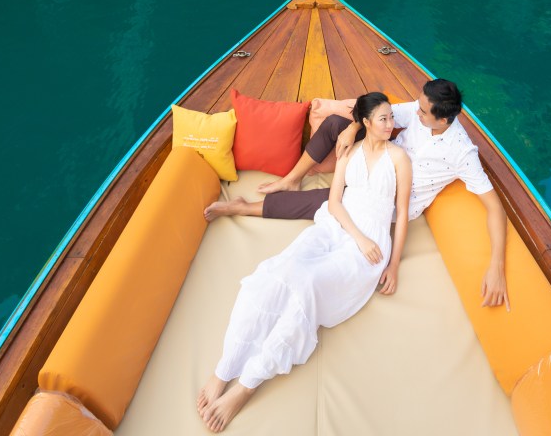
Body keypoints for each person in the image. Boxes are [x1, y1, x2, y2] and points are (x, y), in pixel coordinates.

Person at [197, 92, 412, 433]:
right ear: (366, 123)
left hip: (368, 248)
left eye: (391, 118)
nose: (391, 124)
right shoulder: (349, 151)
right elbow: (335, 202)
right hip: (337, 226)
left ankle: (246, 385)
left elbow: (400, 214)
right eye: (383, 119)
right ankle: (225, 368)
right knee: (277, 272)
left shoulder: (399, 158)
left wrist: (394, 264)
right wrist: (354, 234)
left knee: (306, 285)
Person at [204, 78, 509, 311]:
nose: (414, 112)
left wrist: (495, 266)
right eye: (417, 105)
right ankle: (291, 179)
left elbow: (495, 208)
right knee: (336, 124)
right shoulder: (419, 115)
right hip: (375, 159)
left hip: (386, 196)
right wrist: (352, 128)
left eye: (423, 111)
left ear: (443, 120)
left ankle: (245, 208)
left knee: (326, 203)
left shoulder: (462, 153)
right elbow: (382, 114)